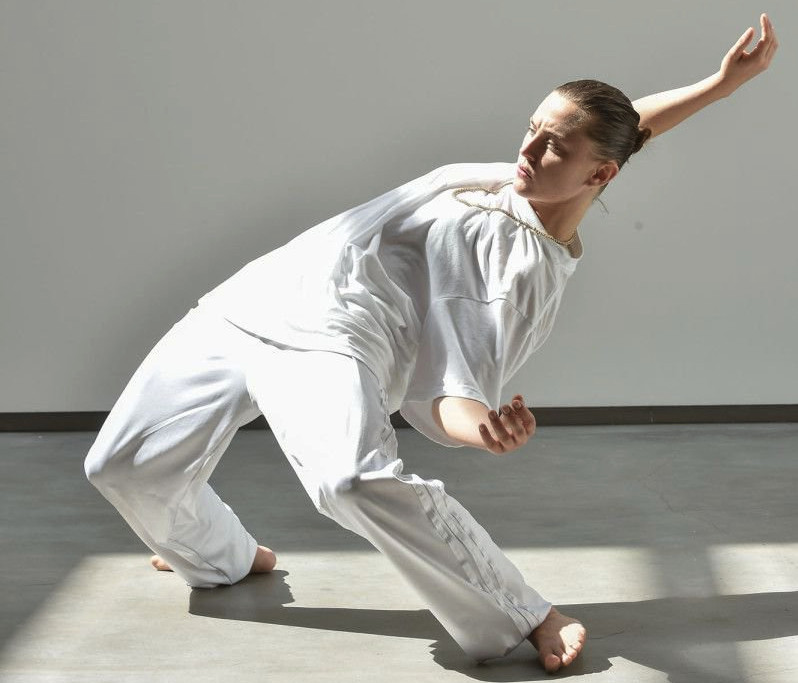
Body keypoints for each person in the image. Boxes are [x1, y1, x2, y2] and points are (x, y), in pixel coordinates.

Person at [84, 14, 777, 674]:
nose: (528, 150)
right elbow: (625, 130)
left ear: (598, 176)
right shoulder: (529, 175)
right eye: (532, 129)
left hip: (331, 337)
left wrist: (486, 431)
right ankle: (224, 558)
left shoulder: (519, 270)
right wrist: (719, 86)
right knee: (122, 467)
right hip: (252, 298)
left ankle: (526, 612)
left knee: (350, 480)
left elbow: (450, 386)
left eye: (552, 147)